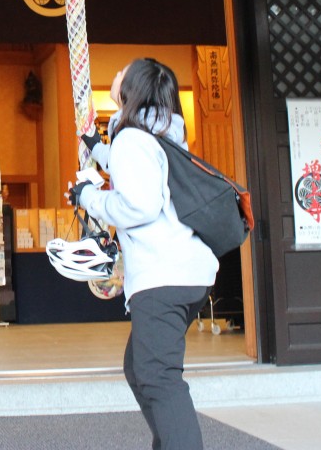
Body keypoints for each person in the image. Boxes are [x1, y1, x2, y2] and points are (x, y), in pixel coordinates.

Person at [68, 58, 218, 450]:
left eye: (122, 71)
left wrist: (89, 197)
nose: (115, 73)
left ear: (129, 89)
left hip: (162, 276)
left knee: (158, 378)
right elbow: (134, 162)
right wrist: (99, 150)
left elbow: (140, 205)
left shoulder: (134, 139)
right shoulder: (162, 131)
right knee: (139, 368)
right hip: (188, 272)